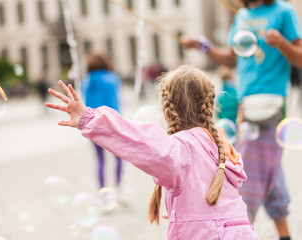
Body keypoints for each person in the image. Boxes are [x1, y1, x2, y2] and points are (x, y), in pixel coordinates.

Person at [46, 65, 258, 239]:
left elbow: (136, 141)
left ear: (166, 110)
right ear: (211, 106)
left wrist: (88, 118)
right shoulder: (220, 142)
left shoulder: (179, 150)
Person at [180, 1, 302, 239]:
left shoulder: (283, 11)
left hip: (271, 104)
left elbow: (299, 58)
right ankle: (284, 235)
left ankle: (240, 230)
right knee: (268, 170)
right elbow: (232, 58)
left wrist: (282, 44)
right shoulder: (242, 14)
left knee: (250, 174)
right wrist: (201, 45)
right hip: (246, 105)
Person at [80, 52, 123, 190]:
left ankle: (102, 191)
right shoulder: (113, 78)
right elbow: (115, 102)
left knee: (99, 160)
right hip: (112, 123)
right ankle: (118, 188)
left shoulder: (86, 82)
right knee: (118, 157)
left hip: (93, 124)